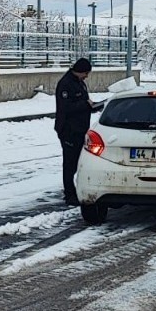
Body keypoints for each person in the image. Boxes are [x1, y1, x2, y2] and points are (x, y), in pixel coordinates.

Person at [54, 57, 102, 205]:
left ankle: (75, 190)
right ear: (79, 71)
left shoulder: (79, 83)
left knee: (78, 162)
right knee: (70, 164)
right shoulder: (66, 84)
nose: (86, 76)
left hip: (80, 130)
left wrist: (94, 106)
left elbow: (83, 103)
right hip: (69, 130)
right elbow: (66, 108)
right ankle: (69, 195)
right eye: (86, 73)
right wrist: (86, 105)